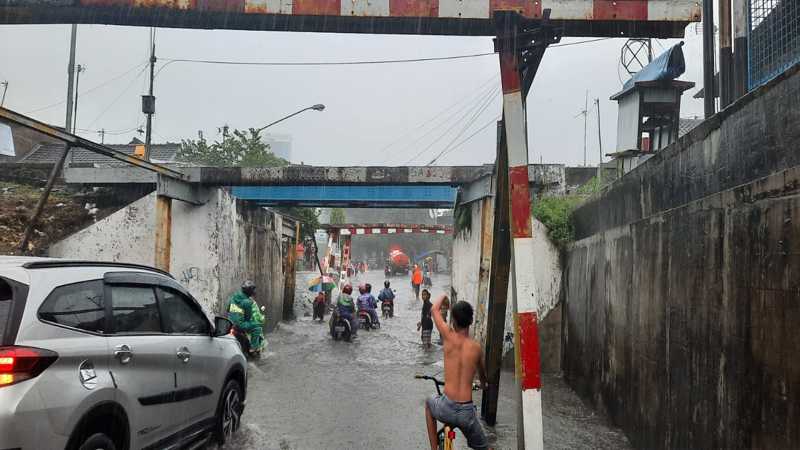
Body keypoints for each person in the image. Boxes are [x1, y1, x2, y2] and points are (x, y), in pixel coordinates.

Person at [424, 295, 489, 450]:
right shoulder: (476, 348)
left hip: (446, 408)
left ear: (453, 321)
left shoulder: (448, 336)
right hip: (466, 413)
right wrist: (484, 385)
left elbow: (434, 309)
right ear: (471, 321)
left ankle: (434, 448)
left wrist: (445, 296)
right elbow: (483, 377)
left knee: (428, 402)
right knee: (485, 448)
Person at [228, 280, 265, 355]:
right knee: (257, 327)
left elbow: (228, 308)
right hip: (240, 325)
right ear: (250, 291)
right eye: (253, 289)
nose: (254, 291)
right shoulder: (247, 302)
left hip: (230, 322)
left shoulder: (234, 296)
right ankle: (253, 348)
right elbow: (248, 318)